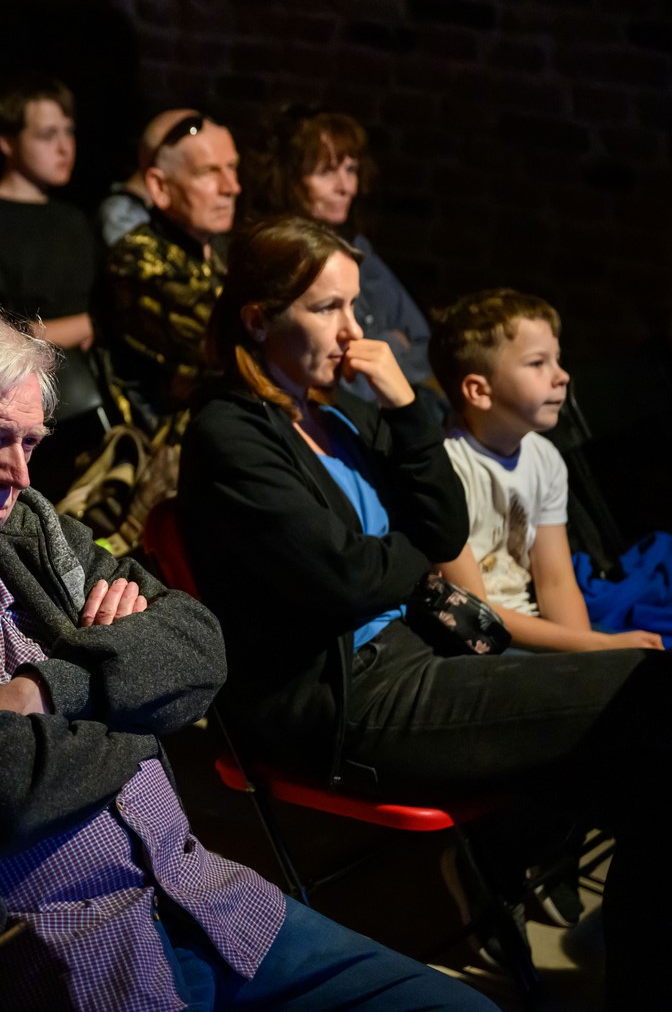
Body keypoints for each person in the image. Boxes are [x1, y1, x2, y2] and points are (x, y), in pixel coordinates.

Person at [0, 285, 494, 1011]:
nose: (19, 476)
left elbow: (199, 642)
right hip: (68, 946)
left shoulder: (25, 522)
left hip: (204, 893)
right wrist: (137, 707)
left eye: (30, 442)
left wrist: (45, 691)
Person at [176, 214, 672, 1007]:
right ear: (259, 319)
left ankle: (567, 903)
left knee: (644, 725)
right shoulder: (229, 432)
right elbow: (347, 578)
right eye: (327, 308)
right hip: (349, 695)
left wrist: (408, 408)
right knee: (649, 698)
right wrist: (407, 551)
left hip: (416, 652)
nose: (352, 330)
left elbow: (444, 528)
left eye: (354, 306)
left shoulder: (336, 412)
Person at [427, 288, 662, 653]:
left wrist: (589, 655)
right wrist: (596, 646)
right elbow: (471, 608)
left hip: (535, 628)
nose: (562, 376)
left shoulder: (545, 458)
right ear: (479, 391)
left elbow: (555, 582)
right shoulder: (445, 467)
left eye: (558, 360)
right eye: (538, 363)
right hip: (478, 639)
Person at [246, 107, 433, 402]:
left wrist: (381, 358)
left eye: (351, 170)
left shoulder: (357, 247)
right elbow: (340, 381)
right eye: (326, 172)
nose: (346, 187)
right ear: (289, 178)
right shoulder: (280, 261)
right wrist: (394, 344)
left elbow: (422, 342)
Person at [99, 108, 241, 426]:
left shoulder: (224, 248)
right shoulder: (138, 261)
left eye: (232, 167)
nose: (232, 186)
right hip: (174, 441)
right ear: (160, 187)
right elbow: (235, 346)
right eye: (209, 172)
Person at [0, 76, 97, 350]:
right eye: (47, 135)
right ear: (7, 142)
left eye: (68, 132)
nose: (64, 148)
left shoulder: (73, 217)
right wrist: (89, 326)